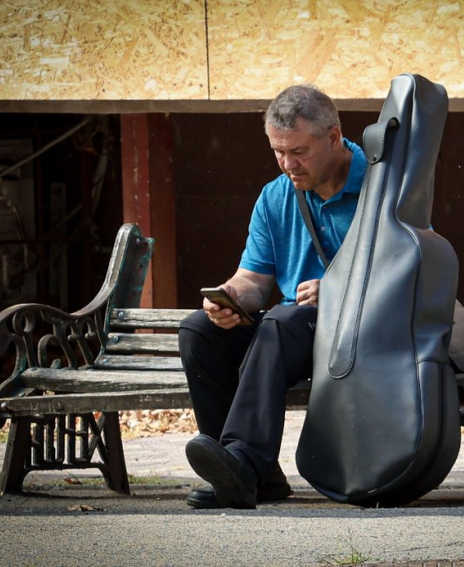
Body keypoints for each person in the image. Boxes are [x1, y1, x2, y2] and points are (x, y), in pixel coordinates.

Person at [178, 84, 367, 509]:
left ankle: (245, 463)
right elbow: (254, 280)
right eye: (278, 152)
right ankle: (247, 477)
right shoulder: (275, 196)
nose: (288, 164)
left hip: (361, 332)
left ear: (333, 137)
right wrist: (230, 296)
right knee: (198, 331)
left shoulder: (383, 185)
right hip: (291, 335)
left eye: (299, 152)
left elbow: (410, 267)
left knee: (281, 321)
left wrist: (339, 289)